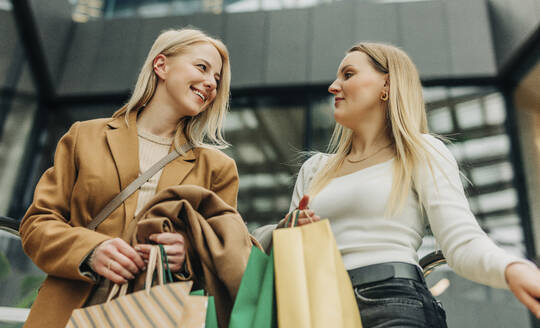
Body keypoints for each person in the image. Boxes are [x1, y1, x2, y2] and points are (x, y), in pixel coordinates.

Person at [252, 42, 540, 327]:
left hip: (393, 304)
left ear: (386, 85)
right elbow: (287, 258)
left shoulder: (421, 151)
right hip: (314, 310)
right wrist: (289, 228)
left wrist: (512, 268)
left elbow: (462, 242)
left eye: (348, 74)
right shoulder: (315, 169)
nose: (333, 86)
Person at [19, 28, 241, 328]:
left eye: (217, 78)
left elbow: (228, 253)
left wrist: (186, 254)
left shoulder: (218, 168)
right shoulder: (85, 137)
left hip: (155, 314)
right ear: (161, 66)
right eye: (202, 67)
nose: (211, 83)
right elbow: (36, 225)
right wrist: (90, 251)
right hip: (66, 310)